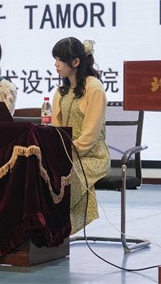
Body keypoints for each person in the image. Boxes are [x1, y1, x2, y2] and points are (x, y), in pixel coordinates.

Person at [50, 37, 110, 234]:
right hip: (66, 154)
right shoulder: (61, 92)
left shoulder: (94, 88)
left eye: (60, 59)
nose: (56, 64)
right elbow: (56, 129)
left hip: (92, 156)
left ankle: (58, 229)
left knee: (67, 176)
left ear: (75, 62)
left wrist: (66, 154)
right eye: (55, 59)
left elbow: (90, 136)